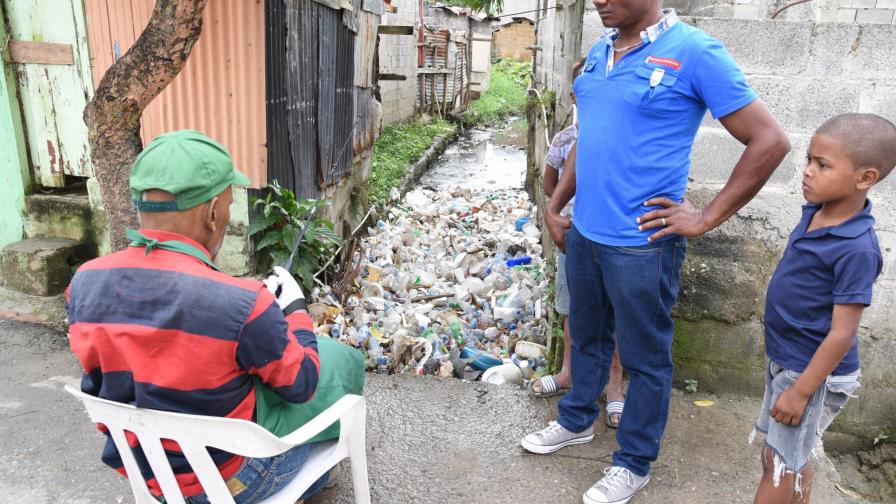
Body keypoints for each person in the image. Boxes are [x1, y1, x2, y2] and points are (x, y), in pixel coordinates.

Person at [519, 0, 791, 501]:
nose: (599, 1)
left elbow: (770, 141)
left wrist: (705, 217)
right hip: (585, 234)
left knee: (644, 358)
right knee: (587, 336)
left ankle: (634, 461)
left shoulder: (695, 52)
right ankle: (575, 421)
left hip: (642, 246)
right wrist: (555, 206)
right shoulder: (600, 51)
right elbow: (589, 138)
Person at [67, 130, 331, 503]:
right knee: (329, 408)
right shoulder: (246, 303)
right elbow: (301, 385)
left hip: (144, 471)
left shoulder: (83, 282)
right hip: (227, 481)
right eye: (228, 205)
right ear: (211, 213)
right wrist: (296, 311)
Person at [751, 114, 893, 504]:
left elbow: (843, 334)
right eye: (809, 160)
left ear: (865, 178)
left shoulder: (856, 248)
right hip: (790, 362)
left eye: (822, 165)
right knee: (788, 456)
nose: (808, 171)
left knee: (778, 464)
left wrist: (801, 392)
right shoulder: (816, 212)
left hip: (812, 375)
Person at [534, 83, 626, 429]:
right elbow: (549, 183)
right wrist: (559, 210)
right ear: (575, 96)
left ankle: (614, 385)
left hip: (613, 236)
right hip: (572, 236)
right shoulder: (565, 140)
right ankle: (568, 373)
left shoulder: (621, 134)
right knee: (573, 309)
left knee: (615, 313)